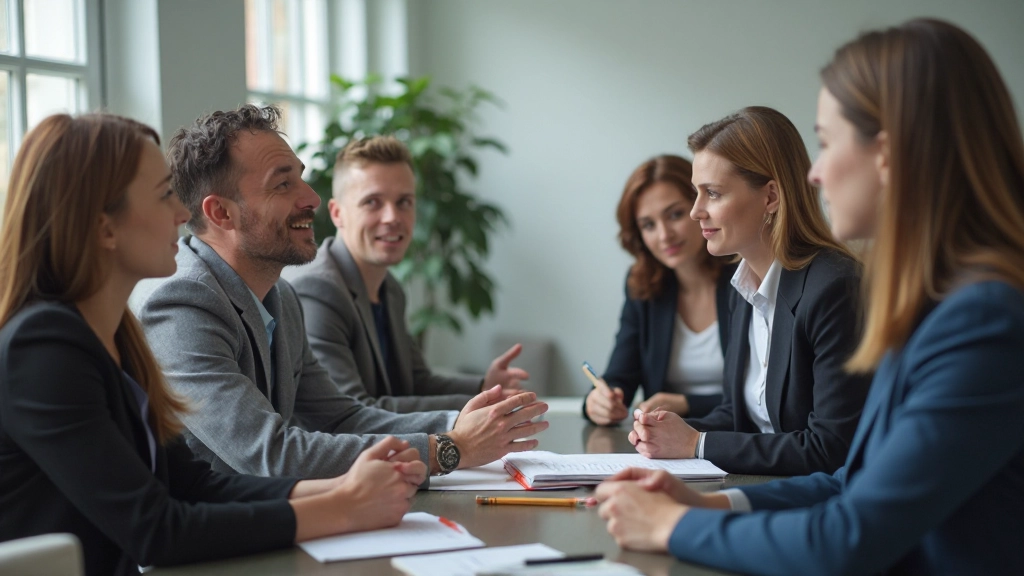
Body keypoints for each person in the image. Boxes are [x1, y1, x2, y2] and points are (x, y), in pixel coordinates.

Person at [595, 19, 1024, 575]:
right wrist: (710, 502)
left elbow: (849, 537)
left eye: (825, 142)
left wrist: (669, 526)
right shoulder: (931, 302)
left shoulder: (983, 319)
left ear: (887, 155)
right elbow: (854, 481)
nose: (815, 174)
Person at [0, 113, 427, 576]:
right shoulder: (43, 348)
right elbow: (156, 530)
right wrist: (342, 507)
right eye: (164, 195)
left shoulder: (115, 335)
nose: (183, 214)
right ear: (105, 228)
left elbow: (192, 484)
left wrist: (342, 492)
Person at [135, 105, 547, 480]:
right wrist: (450, 448)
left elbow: (340, 418)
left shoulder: (282, 298)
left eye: (301, 177)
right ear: (221, 212)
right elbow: (269, 453)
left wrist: (460, 421)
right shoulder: (182, 305)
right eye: (282, 185)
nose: (311, 198)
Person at [628, 106, 871, 476]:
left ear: (770, 197)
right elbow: (740, 413)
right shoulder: (743, 287)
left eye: (712, 193)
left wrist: (696, 444)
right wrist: (671, 431)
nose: (696, 212)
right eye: (697, 193)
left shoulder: (835, 288)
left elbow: (830, 449)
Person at [282, 136, 526, 413]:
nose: (392, 217)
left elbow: (415, 382)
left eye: (404, 202)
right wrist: (483, 403)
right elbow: (352, 411)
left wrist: (484, 388)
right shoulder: (317, 290)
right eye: (373, 202)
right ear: (338, 214)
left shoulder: (390, 289)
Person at [583, 155, 736, 426]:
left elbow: (767, 397)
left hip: (738, 442)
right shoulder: (642, 286)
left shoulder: (746, 275)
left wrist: (688, 404)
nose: (664, 235)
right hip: (666, 449)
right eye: (649, 225)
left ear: (702, 207)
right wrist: (598, 402)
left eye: (675, 214)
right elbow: (620, 377)